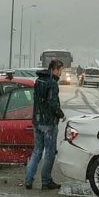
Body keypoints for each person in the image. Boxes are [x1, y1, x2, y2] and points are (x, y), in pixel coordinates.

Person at [25, 60, 65, 190]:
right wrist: (61, 114)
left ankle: (28, 179)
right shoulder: (52, 83)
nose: (60, 73)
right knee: (49, 152)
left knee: (37, 151)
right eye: (60, 70)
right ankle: (46, 180)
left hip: (37, 121)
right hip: (48, 123)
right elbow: (53, 103)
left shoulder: (39, 81)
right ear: (54, 69)